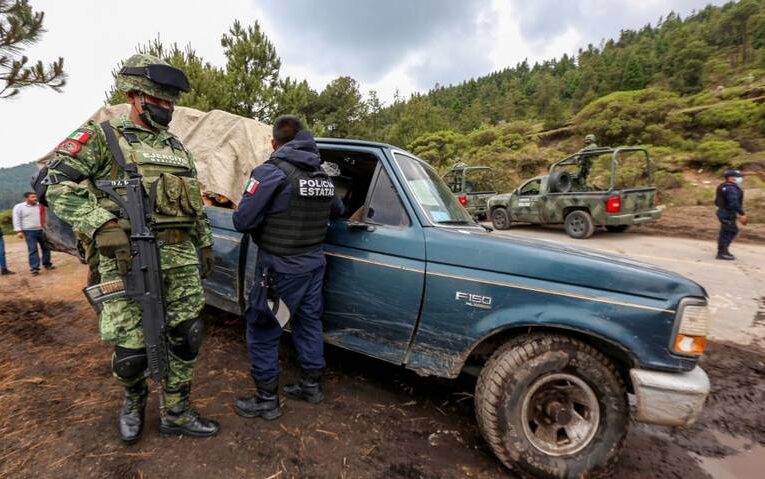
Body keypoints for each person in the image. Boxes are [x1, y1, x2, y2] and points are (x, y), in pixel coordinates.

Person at [40, 54, 219, 443]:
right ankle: (133, 402)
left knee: (187, 335)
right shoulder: (103, 138)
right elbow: (53, 184)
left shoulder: (176, 147)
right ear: (134, 96)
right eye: (159, 101)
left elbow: (193, 202)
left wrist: (204, 245)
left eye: (171, 102)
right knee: (132, 351)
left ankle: (176, 412)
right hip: (125, 261)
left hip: (180, 260)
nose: (167, 108)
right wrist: (100, 223)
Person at [232, 115, 344, 420]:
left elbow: (242, 221)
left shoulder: (271, 172)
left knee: (265, 327)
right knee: (308, 321)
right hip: (314, 265)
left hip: (280, 269)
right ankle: (311, 386)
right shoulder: (321, 175)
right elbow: (339, 210)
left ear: (274, 142)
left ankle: (266, 400)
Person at [12, 192, 53, 275]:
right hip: (29, 231)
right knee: (33, 249)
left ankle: (47, 264)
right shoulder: (19, 207)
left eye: (35, 196)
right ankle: (34, 268)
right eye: (32, 197)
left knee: (46, 248)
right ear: (26, 198)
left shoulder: (40, 205)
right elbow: (16, 219)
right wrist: (18, 231)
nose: (35, 198)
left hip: (42, 230)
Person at [715, 170, 747, 260]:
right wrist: (742, 214)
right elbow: (734, 203)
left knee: (726, 231)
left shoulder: (724, 186)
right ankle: (722, 253)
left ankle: (723, 251)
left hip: (723, 212)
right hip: (727, 213)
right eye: (738, 176)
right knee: (730, 231)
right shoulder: (731, 188)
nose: (740, 178)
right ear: (731, 177)